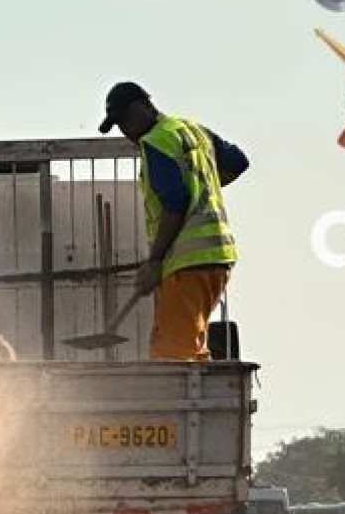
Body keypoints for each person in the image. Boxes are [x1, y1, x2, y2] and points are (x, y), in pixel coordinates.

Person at [98, 82, 248, 363]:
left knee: (172, 355)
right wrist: (204, 186)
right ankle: (199, 403)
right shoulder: (192, 130)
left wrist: (154, 261)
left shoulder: (156, 141)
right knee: (190, 348)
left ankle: (174, 408)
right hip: (218, 259)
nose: (126, 131)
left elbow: (175, 204)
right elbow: (237, 162)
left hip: (188, 263)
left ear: (143, 107)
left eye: (125, 121)